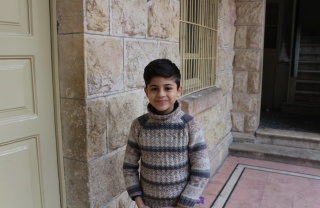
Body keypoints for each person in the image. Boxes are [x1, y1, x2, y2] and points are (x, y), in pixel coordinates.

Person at [122, 59, 210, 208]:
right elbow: (129, 167)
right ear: (146, 91)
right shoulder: (139, 126)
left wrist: (183, 204)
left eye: (168, 88)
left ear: (178, 90)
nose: (161, 94)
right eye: (154, 88)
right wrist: (139, 202)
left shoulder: (189, 125)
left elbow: (201, 170)